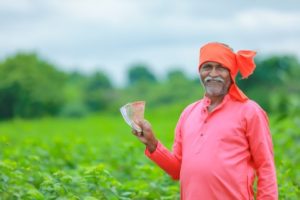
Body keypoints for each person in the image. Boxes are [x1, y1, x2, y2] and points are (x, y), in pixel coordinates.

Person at [131, 42, 278, 200]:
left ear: (231, 73)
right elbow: (177, 170)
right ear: (200, 72)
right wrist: (152, 144)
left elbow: (266, 168)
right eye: (207, 67)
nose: (213, 73)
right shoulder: (188, 113)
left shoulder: (250, 111)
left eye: (220, 67)